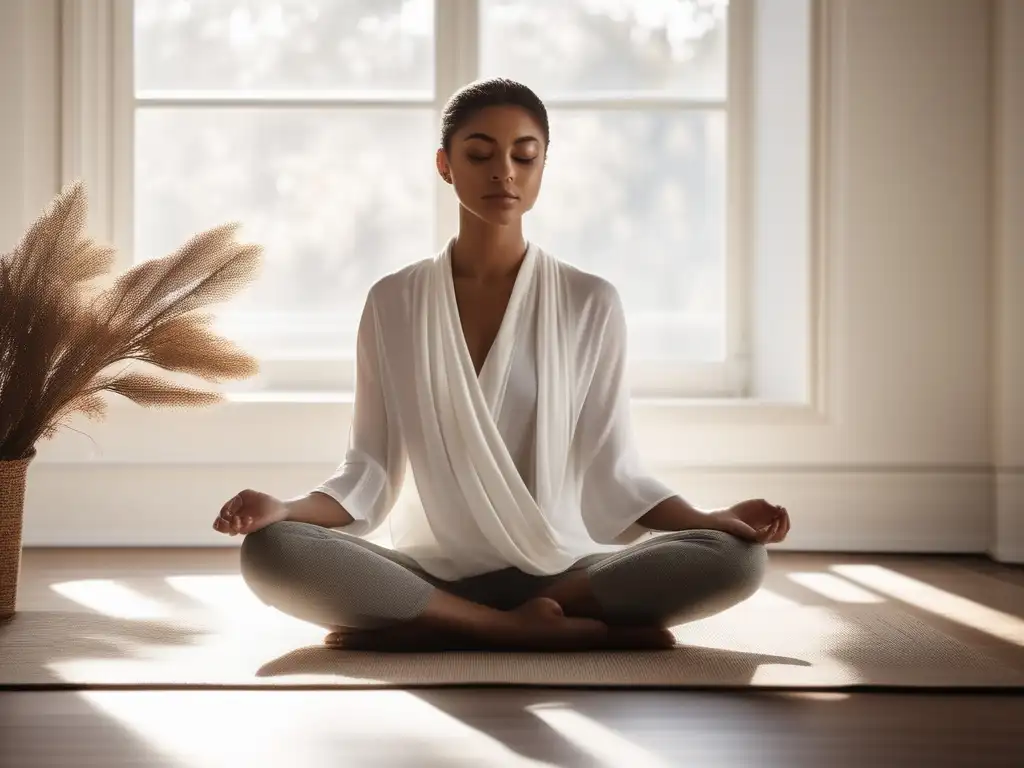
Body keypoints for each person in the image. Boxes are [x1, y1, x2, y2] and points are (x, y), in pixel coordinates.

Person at [213, 78, 790, 652]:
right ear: (445, 164)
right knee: (272, 550)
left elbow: (616, 475)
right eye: (480, 154)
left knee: (738, 561)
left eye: (524, 155)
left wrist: (704, 519)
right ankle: (505, 627)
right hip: (432, 573)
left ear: (543, 166)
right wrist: (283, 509)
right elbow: (366, 474)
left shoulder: (589, 301)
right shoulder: (394, 300)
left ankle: (440, 624)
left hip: (565, 576)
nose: (504, 172)